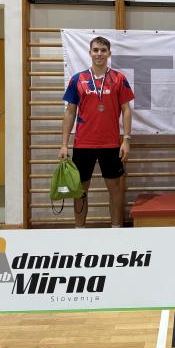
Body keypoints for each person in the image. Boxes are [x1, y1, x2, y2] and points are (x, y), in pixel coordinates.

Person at [58, 36, 134, 228]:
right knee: (80, 191)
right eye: (96, 50)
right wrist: (64, 144)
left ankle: (116, 230)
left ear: (109, 53)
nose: (99, 54)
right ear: (90, 53)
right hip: (83, 145)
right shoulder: (78, 79)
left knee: (115, 190)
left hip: (111, 144)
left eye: (103, 50)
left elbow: (126, 110)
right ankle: (79, 231)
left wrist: (126, 140)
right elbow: (70, 112)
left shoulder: (119, 79)